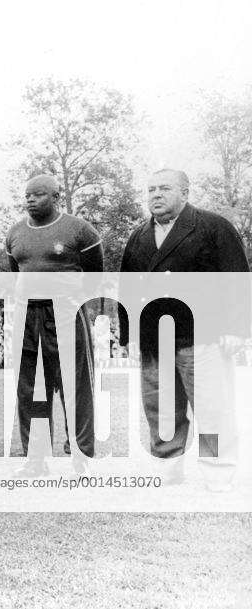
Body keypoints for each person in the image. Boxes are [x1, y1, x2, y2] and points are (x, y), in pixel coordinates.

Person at [119, 168, 250, 490]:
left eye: (164, 188)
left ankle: (217, 472)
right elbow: (128, 289)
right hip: (153, 340)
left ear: (185, 193)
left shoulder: (213, 227)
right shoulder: (139, 236)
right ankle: (167, 468)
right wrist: (130, 334)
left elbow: (237, 280)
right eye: (150, 189)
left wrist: (235, 328)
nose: (155, 195)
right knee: (161, 409)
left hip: (202, 336)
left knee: (212, 409)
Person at [6, 174, 101, 478]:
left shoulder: (79, 229)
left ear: (56, 196)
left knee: (75, 386)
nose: (30, 200)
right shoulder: (15, 233)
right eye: (27, 195)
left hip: (65, 313)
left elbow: (95, 273)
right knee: (30, 390)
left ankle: (81, 457)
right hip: (27, 317)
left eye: (37, 194)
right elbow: (15, 273)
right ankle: (35, 460)